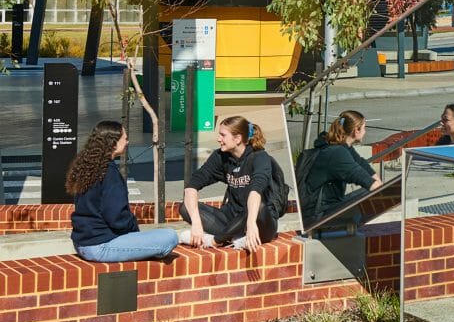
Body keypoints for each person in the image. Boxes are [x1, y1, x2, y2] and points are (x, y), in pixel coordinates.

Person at [67, 121, 178, 262]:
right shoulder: (109, 173)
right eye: (125, 138)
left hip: (82, 243)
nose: (127, 142)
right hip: (101, 246)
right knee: (170, 236)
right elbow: (116, 217)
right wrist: (134, 231)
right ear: (113, 143)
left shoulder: (88, 167)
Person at [180, 115, 278, 251]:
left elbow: (255, 192)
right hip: (231, 218)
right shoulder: (220, 156)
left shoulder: (260, 157)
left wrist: (250, 225)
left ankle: (215, 241)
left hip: (259, 221)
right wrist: (196, 223)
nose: (218, 139)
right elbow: (192, 186)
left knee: (258, 207)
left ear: (237, 139)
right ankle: (233, 238)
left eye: (223, 135)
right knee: (185, 207)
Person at [302, 110, 382, 225]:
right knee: (369, 197)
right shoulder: (337, 153)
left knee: (371, 195)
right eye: (364, 128)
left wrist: (379, 185)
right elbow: (365, 180)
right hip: (317, 215)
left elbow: (363, 167)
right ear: (356, 130)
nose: (365, 131)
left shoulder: (343, 147)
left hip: (324, 208)